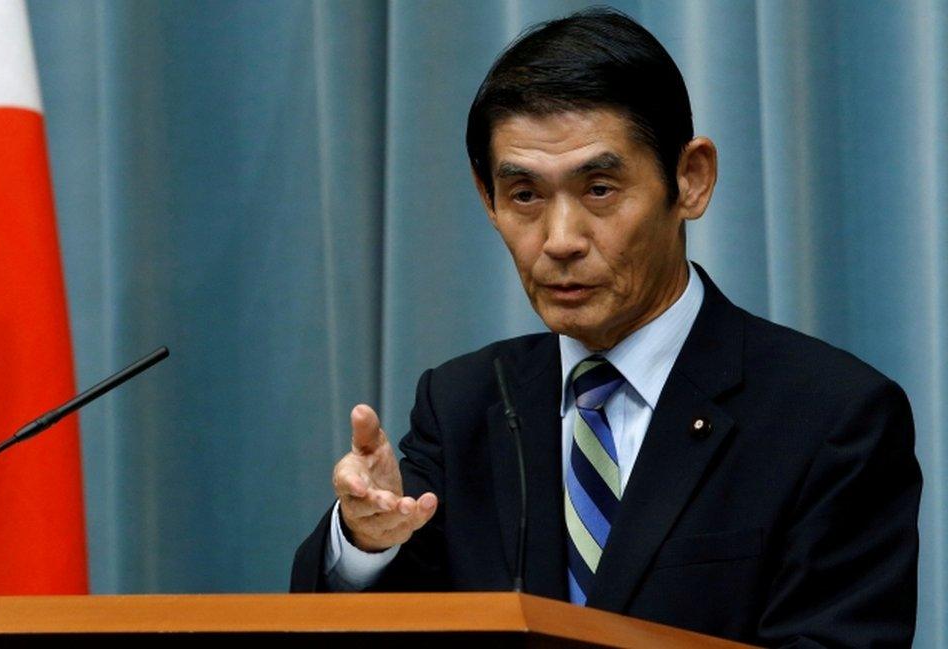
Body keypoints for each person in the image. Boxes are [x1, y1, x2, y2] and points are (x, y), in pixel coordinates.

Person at [290, 8, 921, 647]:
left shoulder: (832, 418)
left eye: (599, 188)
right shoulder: (464, 404)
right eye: (526, 196)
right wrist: (366, 541)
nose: (560, 241)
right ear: (488, 197)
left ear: (691, 179)